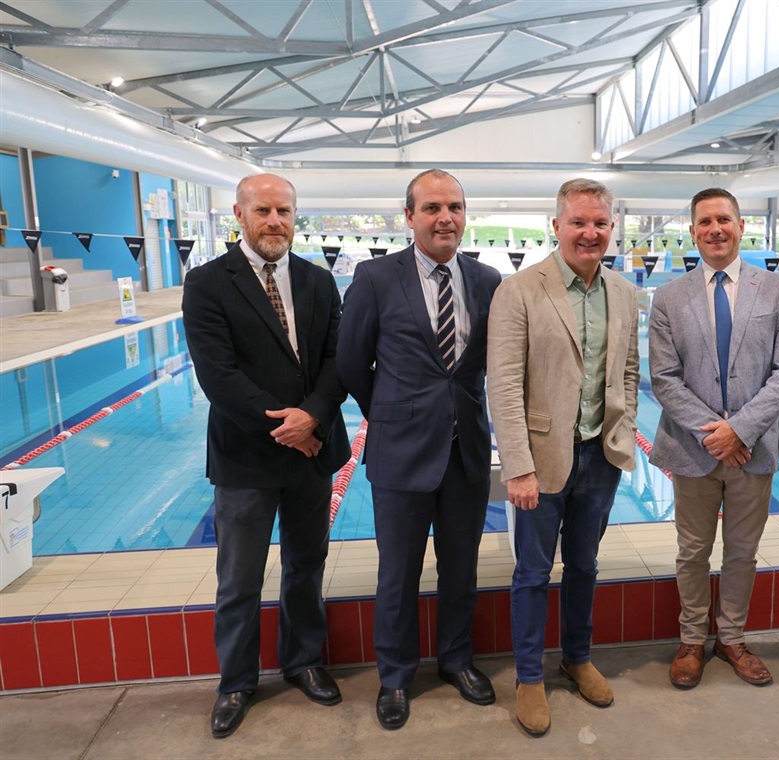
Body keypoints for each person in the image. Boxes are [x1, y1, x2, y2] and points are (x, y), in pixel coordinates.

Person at [182, 173, 350, 739]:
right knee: (239, 578)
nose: (274, 220)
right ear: (239, 214)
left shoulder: (318, 281)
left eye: (283, 210)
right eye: (263, 211)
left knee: (307, 566)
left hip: (313, 449)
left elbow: (337, 359)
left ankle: (303, 661)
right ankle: (235, 682)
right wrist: (289, 428)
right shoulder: (208, 283)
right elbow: (218, 377)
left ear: (295, 215)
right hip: (247, 455)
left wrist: (315, 416)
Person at [337, 169, 502, 731]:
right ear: (409, 216)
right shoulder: (376, 276)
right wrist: (392, 411)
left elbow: (489, 364)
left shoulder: (487, 280)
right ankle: (396, 676)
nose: (445, 218)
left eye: (454, 206)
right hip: (401, 450)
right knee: (398, 572)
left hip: (467, 452)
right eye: (432, 207)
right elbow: (352, 362)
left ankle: (456, 660)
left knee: (462, 568)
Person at [487, 178, 639, 737]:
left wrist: (625, 431)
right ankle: (529, 676)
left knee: (585, 565)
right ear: (557, 226)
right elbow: (503, 387)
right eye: (578, 222)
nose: (590, 232)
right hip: (542, 458)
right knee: (531, 571)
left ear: (611, 228)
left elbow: (627, 370)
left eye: (599, 223)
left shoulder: (622, 292)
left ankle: (577, 657)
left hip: (599, 456)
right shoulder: (520, 290)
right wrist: (519, 466)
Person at [649, 188, 779, 690]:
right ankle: (692, 638)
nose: (715, 229)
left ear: (741, 226)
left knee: (741, 551)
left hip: (752, 447)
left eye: (724, 220)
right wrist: (714, 433)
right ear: (692, 231)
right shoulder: (670, 296)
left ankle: (731, 637)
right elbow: (665, 378)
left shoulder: (778, 291)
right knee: (692, 550)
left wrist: (740, 429)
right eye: (705, 221)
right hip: (693, 449)